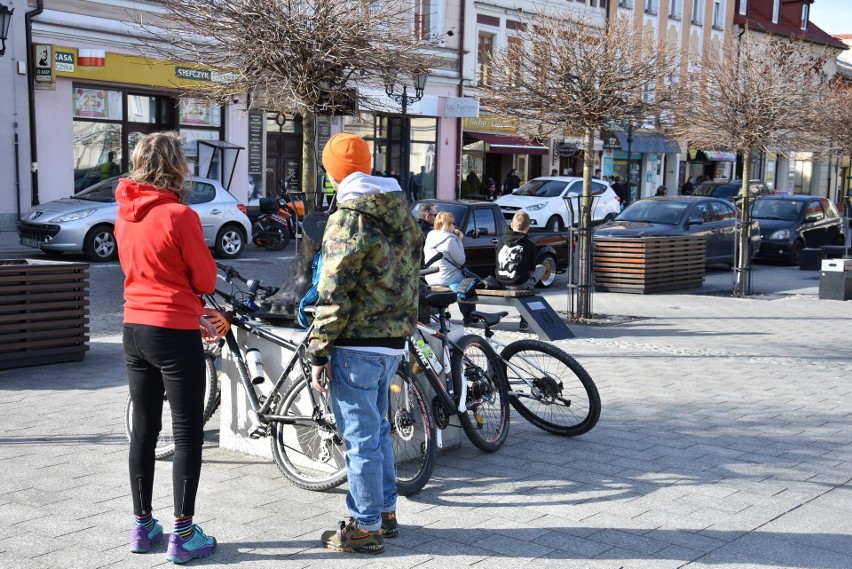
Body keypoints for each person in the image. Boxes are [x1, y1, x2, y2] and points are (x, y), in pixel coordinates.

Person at [308, 133, 420, 555]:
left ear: (333, 172)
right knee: (377, 431)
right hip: (392, 342)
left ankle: (365, 525)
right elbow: (412, 277)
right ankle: (386, 512)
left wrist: (318, 349)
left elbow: (334, 289)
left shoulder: (348, 215)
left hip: (357, 343)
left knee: (360, 438)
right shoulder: (401, 211)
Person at [114, 132, 218, 563]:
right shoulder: (179, 215)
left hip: (133, 328)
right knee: (187, 432)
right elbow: (206, 280)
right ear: (177, 166)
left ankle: (142, 527)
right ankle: (184, 533)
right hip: (173, 332)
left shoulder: (124, 214)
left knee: (144, 428)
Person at [495, 211, 547, 331]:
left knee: (527, 279)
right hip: (519, 283)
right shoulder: (529, 245)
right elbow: (532, 268)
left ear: (512, 225)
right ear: (527, 228)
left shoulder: (501, 241)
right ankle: (524, 321)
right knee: (542, 268)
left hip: (501, 281)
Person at [423, 211, 477, 326]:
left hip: (431, 278)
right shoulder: (450, 240)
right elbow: (461, 260)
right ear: (448, 224)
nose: (455, 226)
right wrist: (459, 240)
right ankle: (469, 316)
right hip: (447, 279)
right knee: (467, 283)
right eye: (454, 223)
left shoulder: (430, 237)